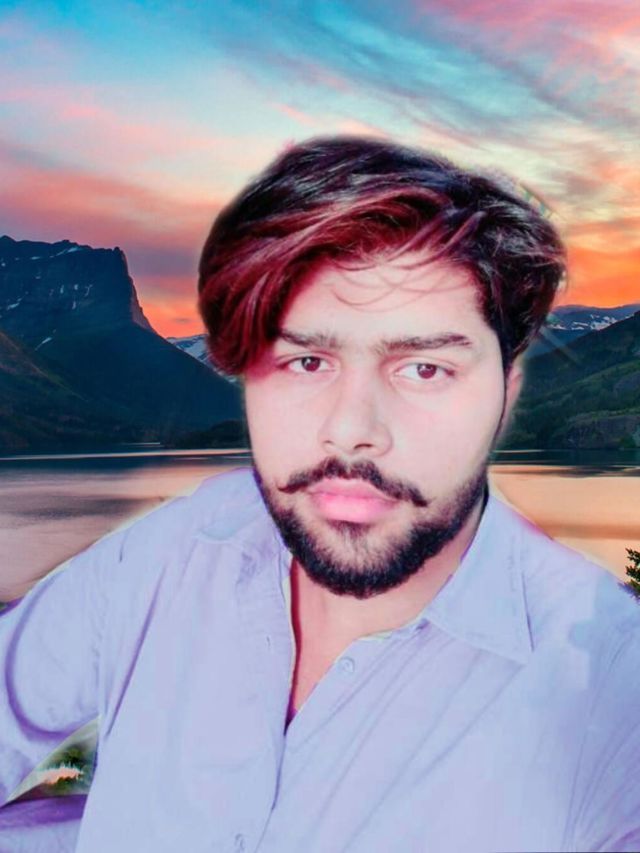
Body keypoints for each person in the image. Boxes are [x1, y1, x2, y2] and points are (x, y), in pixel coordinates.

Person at [1, 137, 639, 853]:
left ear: (506, 391)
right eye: (307, 361)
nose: (351, 430)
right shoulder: (166, 558)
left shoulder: (611, 689)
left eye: (424, 368)